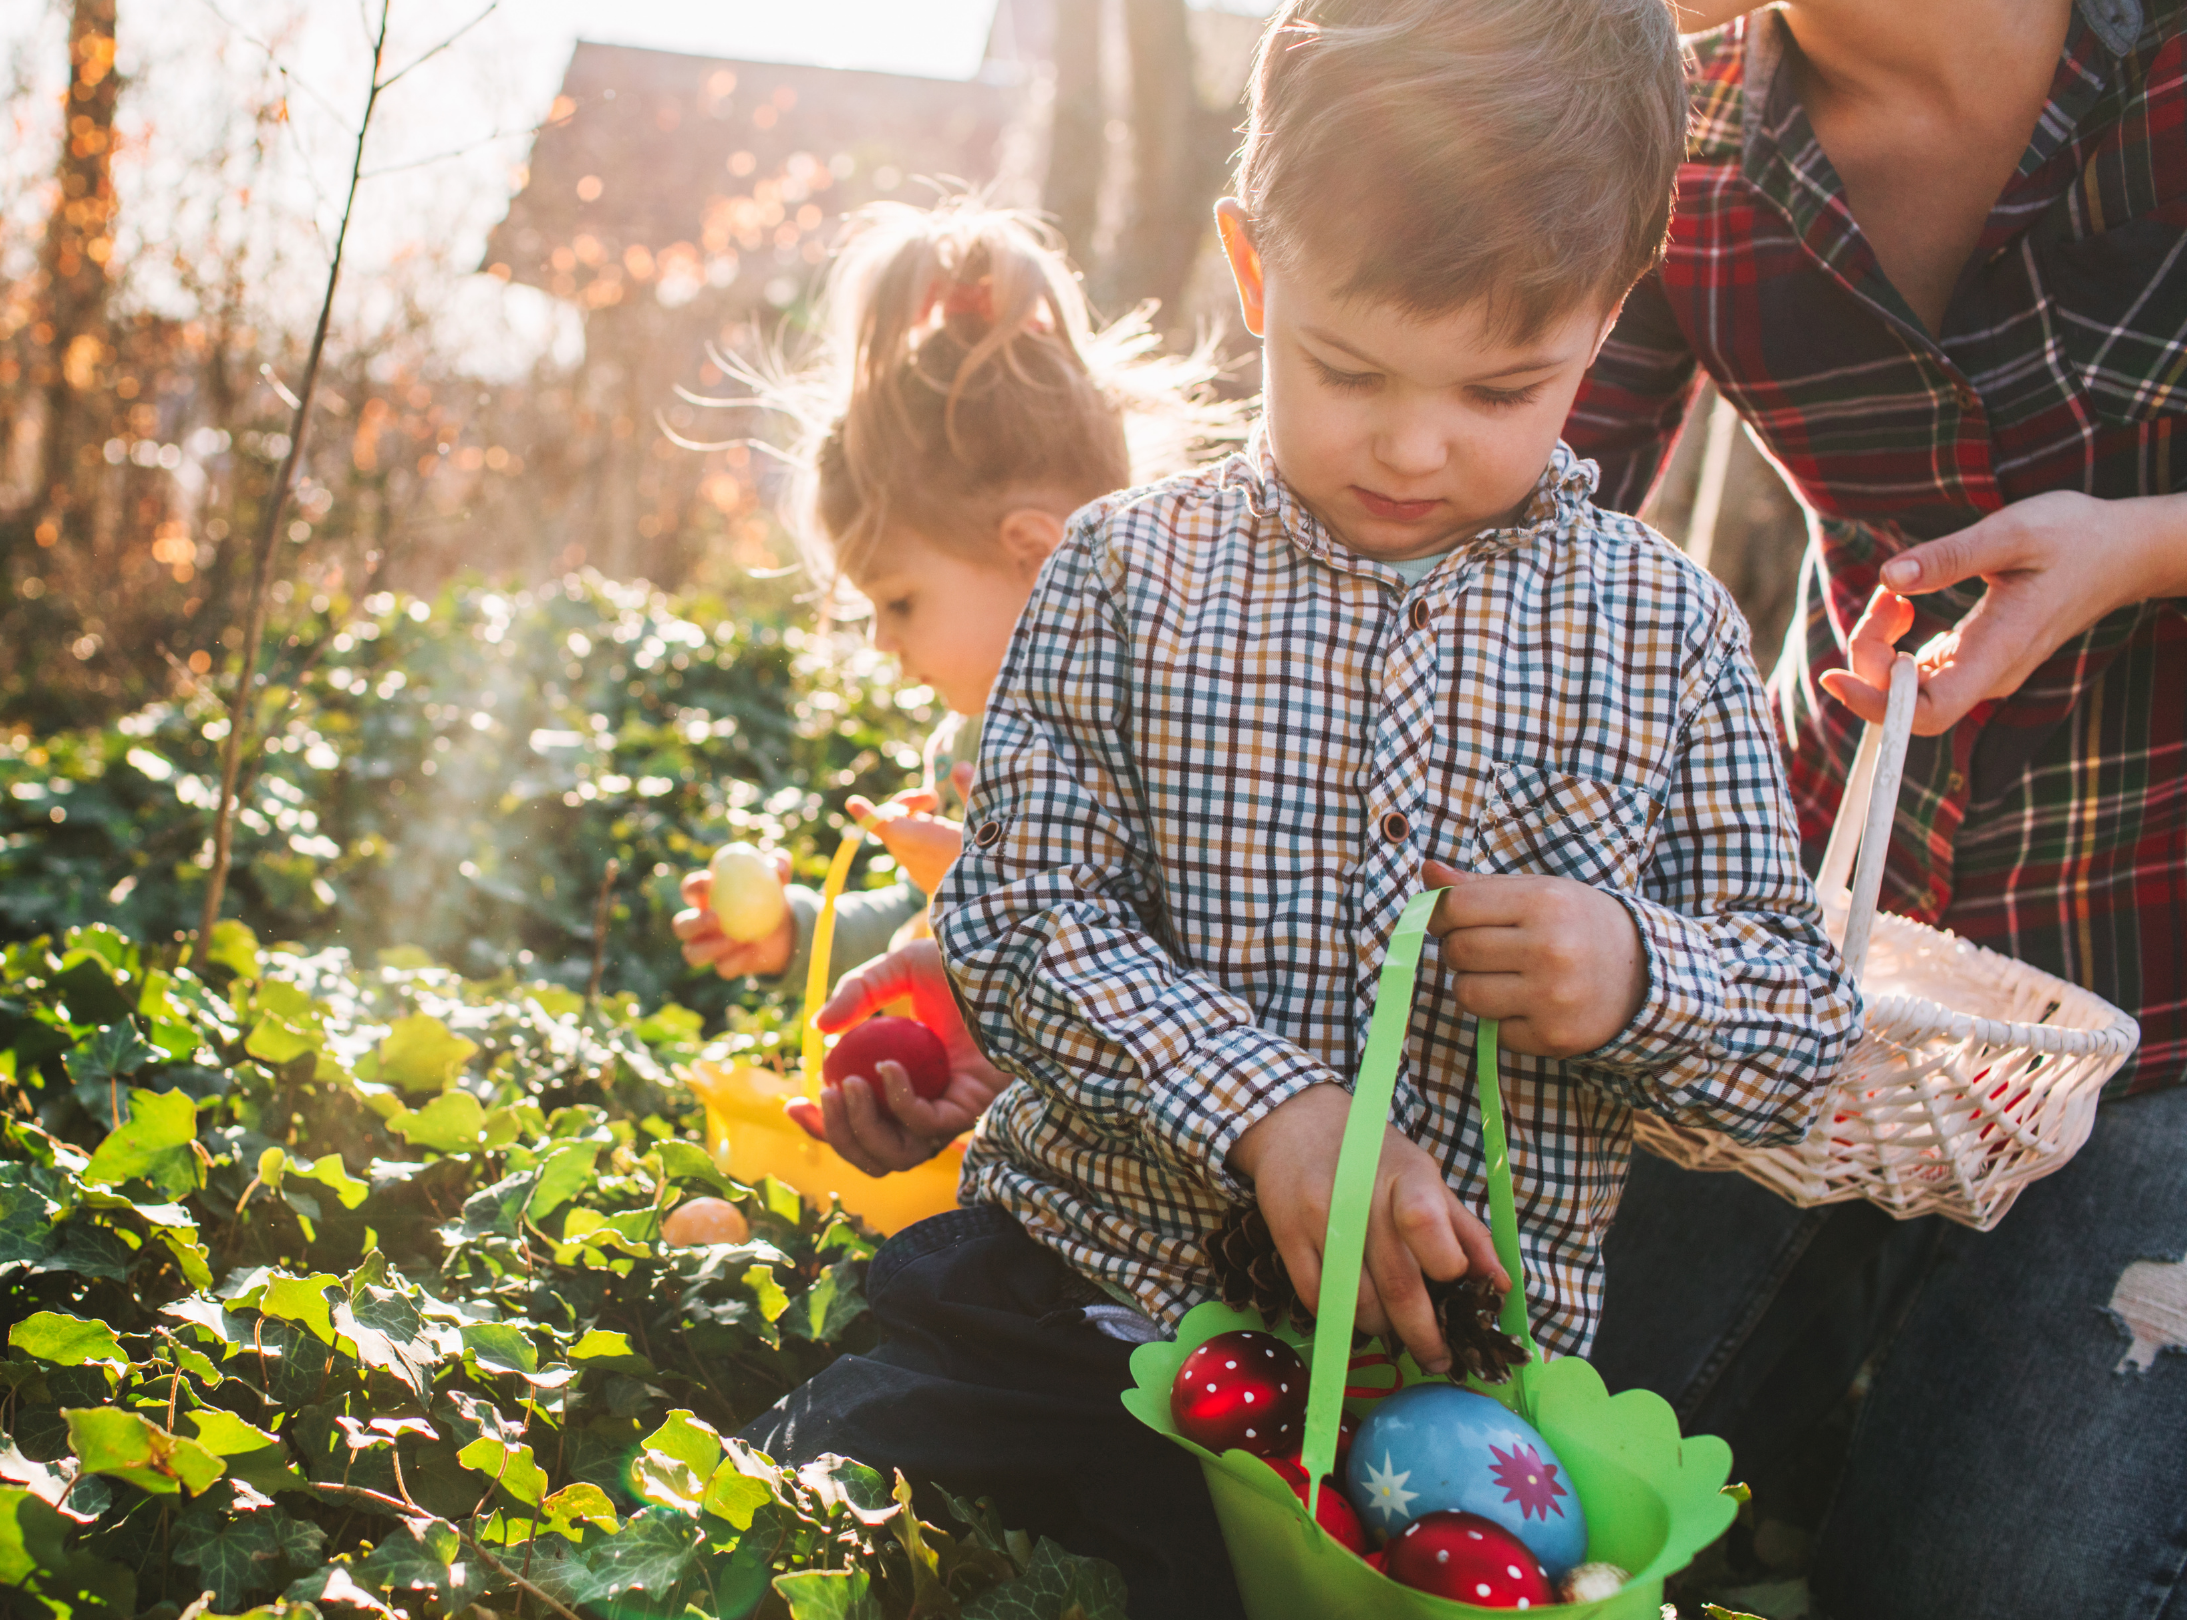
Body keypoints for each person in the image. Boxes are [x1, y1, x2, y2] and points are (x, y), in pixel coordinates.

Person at [745, 3, 1862, 1614]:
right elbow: (1017, 917)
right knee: (825, 1514)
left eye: (1501, 388)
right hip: (1076, 1301)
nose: (1412, 443)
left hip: (1431, 1420)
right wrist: (1269, 1108)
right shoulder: (1126, 575)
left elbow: (1803, 1028)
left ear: (1613, 313)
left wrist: (1636, 971)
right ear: (1255, 271)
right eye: (1348, 369)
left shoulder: (1664, 634)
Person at [1565, 1, 2187, 1614]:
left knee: (1977, 1583)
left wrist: (2146, 547)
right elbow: (1497, 484)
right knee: (1535, 1455)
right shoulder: (1680, 126)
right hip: (1821, 944)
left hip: (2164, 994)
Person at [665, 199, 1233, 1077]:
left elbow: (1191, 969)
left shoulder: (1188, 724)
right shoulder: (970, 744)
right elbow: (915, 929)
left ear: (1034, 555)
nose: (882, 643)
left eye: (899, 602)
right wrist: (797, 931)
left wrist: (983, 889)